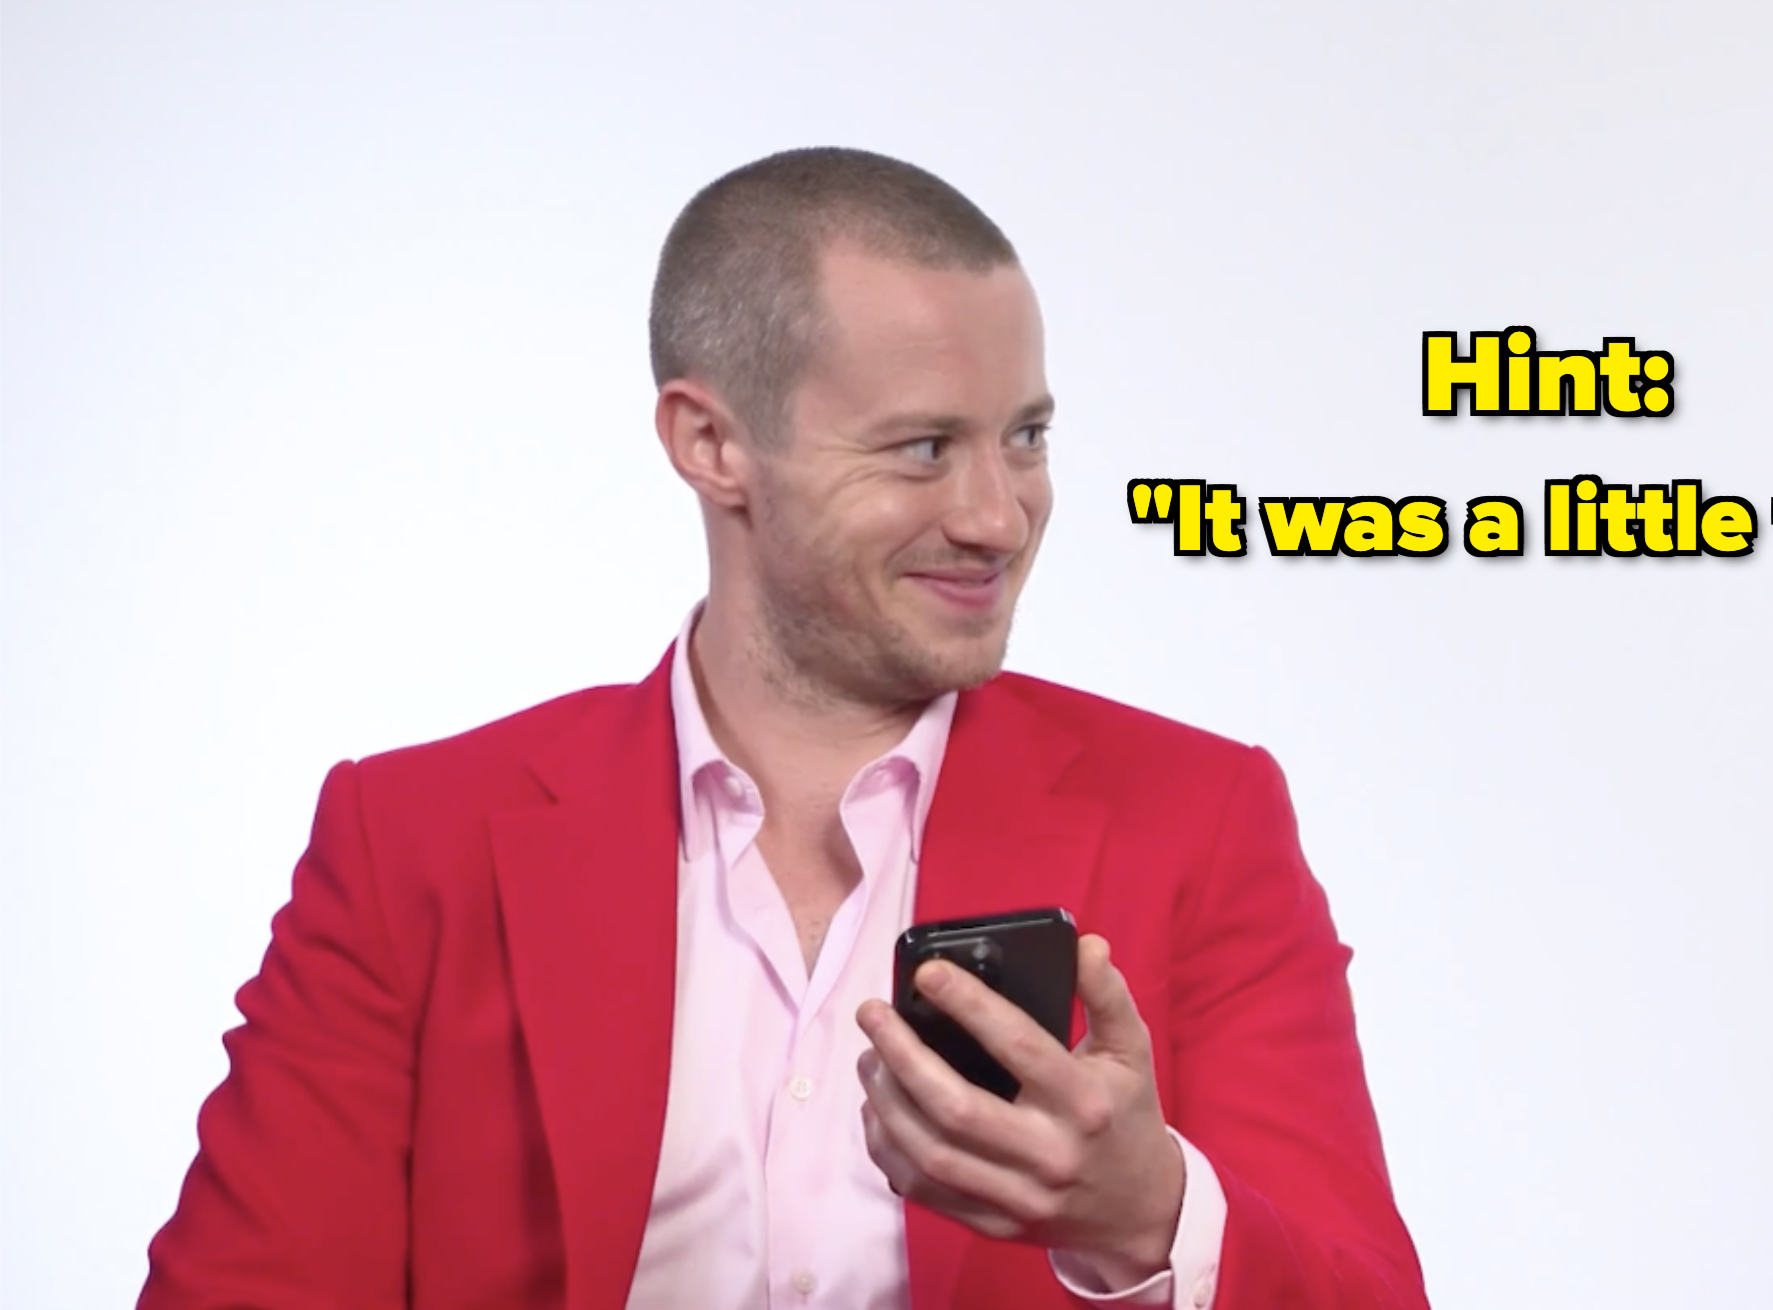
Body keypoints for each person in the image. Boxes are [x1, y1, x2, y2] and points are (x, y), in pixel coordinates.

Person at [140, 147, 1430, 1310]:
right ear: (711, 444)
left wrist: (1149, 1215)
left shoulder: (1202, 818)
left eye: (1025, 437)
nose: (999, 513)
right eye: (924, 448)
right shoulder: (413, 839)